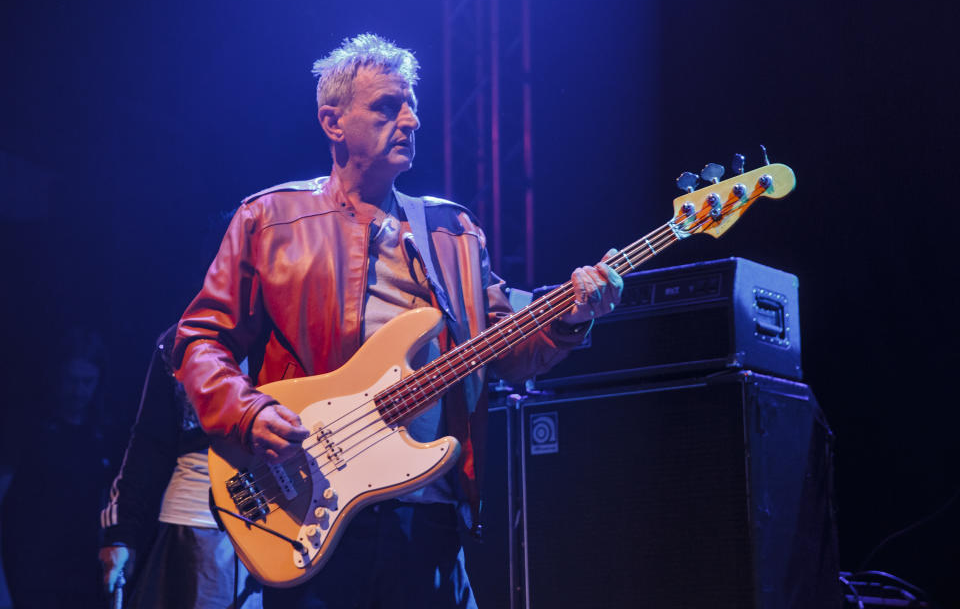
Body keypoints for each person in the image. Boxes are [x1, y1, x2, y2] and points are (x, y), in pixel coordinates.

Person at [173, 33, 623, 608]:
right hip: (307, 500)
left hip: (428, 514)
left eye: (412, 105)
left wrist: (570, 317)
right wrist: (247, 412)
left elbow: (502, 345)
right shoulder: (270, 219)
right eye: (387, 106)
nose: (410, 119)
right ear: (333, 123)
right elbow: (200, 339)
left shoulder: (451, 231)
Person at [98, 324, 262, 608]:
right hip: (200, 529)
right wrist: (121, 532)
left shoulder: (301, 328)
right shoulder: (183, 339)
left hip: (296, 524)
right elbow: (149, 444)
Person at [0, 327, 114, 608]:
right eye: (71, 380)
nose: (79, 391)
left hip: (84, 571)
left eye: (87, 381)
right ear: (58, 377)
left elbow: (105, 501)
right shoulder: (27, 430)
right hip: (32, 572)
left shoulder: (102, 433)